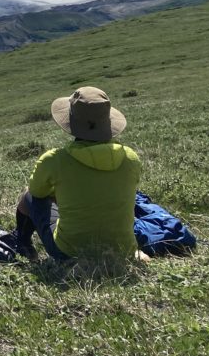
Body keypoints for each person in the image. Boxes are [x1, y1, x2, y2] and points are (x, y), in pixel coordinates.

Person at [15, 86, 144, 261]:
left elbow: (38, 193)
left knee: (29, 196)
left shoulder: (54, 160)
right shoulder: (130, 157)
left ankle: (23, 245)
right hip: (123, 250)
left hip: (69, 252)